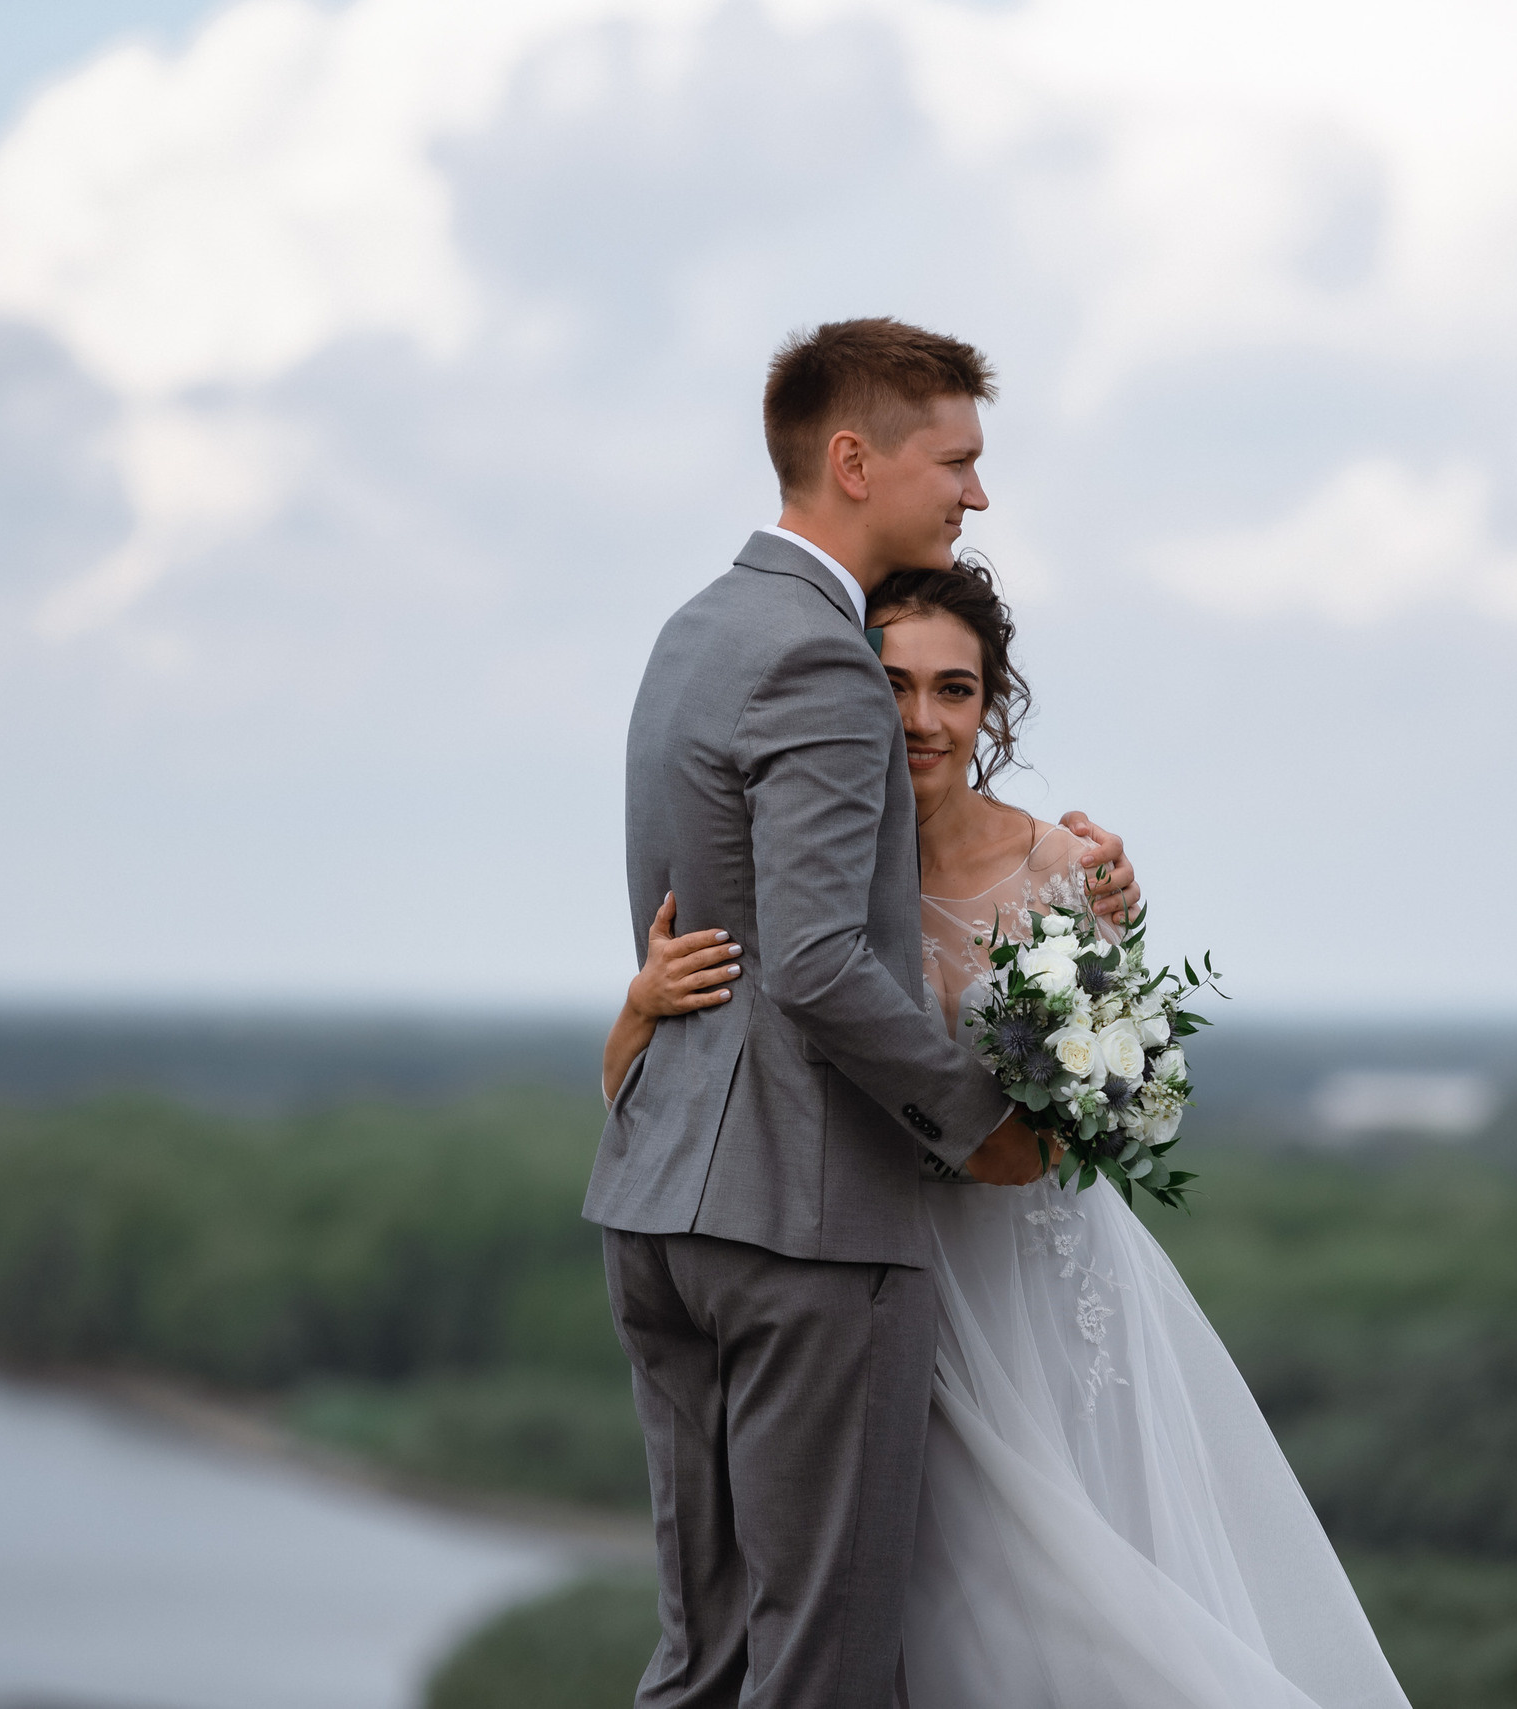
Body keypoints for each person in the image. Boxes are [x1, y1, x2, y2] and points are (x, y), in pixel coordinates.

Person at [608, 557, 1413, 1706]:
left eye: (955, 689)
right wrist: (641, 1003)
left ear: (993, 705)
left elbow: (1112, 1068)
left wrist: (1091, 1049)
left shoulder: (1064, 866)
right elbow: (644, 1088)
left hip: (1035, 1284)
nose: (921, 719)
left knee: (1068, 1599)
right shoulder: (808, 872)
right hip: (870, 1264)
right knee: (902, 1610)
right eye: (890, 685)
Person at [585, 318, 1141, 1709]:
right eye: (956, 459)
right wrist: (981, 1129)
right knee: (820, 1676)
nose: (976, 493)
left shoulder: (695, 628)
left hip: (661, 1214)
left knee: (700, 1665)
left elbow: (701, 921)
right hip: (808, 1229)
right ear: (854, 460)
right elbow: (824, 963)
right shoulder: (823, 659)